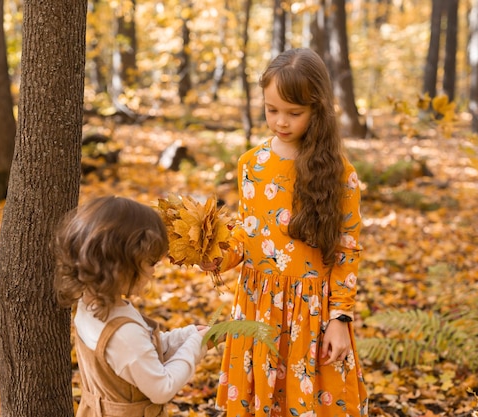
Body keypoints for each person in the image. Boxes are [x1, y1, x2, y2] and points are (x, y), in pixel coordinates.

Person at [206, 48, 368, 416]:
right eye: (271, 109)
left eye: (294, 113)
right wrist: (213, 256)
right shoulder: (251, 165)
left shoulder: (340, 173)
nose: (281, 121)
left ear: (317, 109)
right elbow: (246, 239)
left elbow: (347, 251)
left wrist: (340, 319)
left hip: (312, 315)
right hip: (258, 309)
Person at [54, 196, 210, 417]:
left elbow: (139, 355)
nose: (153, 272)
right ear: (120, 265)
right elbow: (161, 388)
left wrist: (186, 335)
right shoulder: (123, 332)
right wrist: (196, 345)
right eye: (150, 263)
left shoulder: (90, 305)